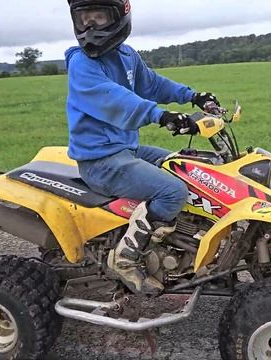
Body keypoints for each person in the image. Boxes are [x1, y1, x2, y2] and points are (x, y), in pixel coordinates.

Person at [66, 0, 219, 295]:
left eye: (98, 17)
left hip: (125, 149)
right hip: (100, 161)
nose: (90, 27)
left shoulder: (125, 55)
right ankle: (126, 258)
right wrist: (160, 115)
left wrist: (193, 96)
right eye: (84, 19)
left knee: (189, 166)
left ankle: (186, 239)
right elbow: (114, 99)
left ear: (120, 16)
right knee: (172, 190)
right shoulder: (82, 64)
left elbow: (153, 85)